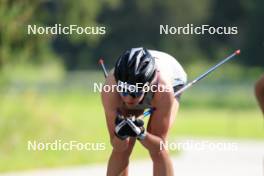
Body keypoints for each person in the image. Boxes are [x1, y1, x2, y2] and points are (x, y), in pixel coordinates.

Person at [101, 47, 187, 176]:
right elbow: (118, 145)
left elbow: (159, 145)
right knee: (123, 148)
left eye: (135, 92)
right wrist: (120, 135)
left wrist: (142, 134)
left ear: (147, 87)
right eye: (124, 90)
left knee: (159, 150)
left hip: (173, 77)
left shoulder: (163, 89)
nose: (129, 98)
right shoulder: (110, 88)